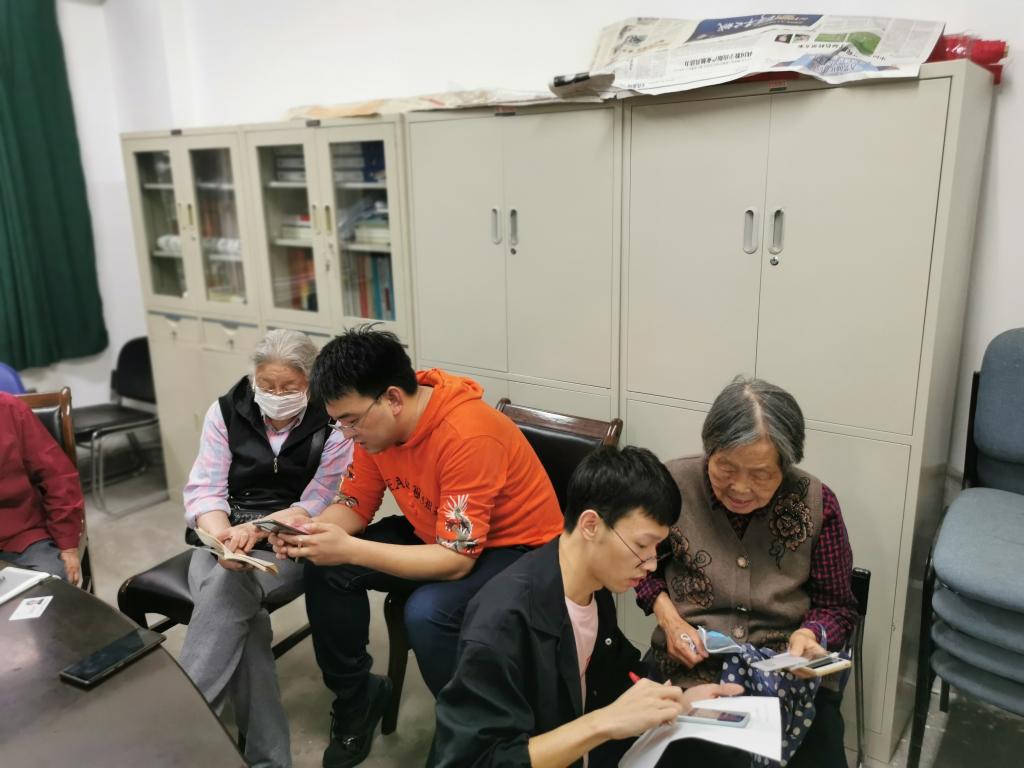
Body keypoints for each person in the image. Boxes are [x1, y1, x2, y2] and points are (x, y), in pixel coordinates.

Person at [270, 326, 563, 768]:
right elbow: (354, 504)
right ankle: (357, 697)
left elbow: (455, 561)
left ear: (392, 398)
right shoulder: (375, 431)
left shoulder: (466, 434)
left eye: (351, 420)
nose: (346, 434)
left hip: (518, 550)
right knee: (325, 566)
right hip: (438, 533)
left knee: (428, 614)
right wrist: (311, 531)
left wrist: (347, 549)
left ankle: (484, 735)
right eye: (338, 422)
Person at [431, 445, 743, 768]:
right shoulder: (502, 621)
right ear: (591, 525)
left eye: (656, 548)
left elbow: (617, 677)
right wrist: (603, 722)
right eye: (641, 545)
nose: (651, 564)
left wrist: (681, 702)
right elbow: (479, 760)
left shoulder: (594, 586)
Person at [635, 376, 857, 767]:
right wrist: (670, 621)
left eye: (760, 474)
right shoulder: (671, 486)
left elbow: (837, 606)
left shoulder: (817, 503)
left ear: (785, 464)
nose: (740, 487)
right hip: (690, 668)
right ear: (710, 450)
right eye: (725, 468)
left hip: (785, 676)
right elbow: (639, 566)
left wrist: (810, 634)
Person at [178, 329, 352, 768]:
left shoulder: (333, 421)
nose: (275, 396)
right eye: (266, 385)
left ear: (310, 382)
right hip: (223, 535)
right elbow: (206, 489)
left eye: (288, 387)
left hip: (288, 540)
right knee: (244, 615)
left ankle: (182, 735)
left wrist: (255, 531)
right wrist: (224, 538)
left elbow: (319, 500)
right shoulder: (225, 412)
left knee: (226, 590)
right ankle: (268, 760)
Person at [0, 392, 85, 584]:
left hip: (21, 537)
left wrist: (67, 544)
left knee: (49, 586)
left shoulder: (10, 409)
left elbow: (58, 476)